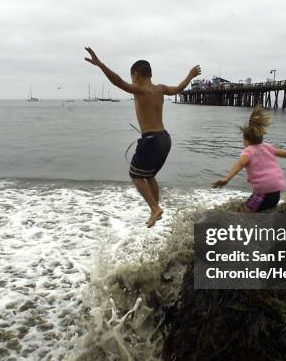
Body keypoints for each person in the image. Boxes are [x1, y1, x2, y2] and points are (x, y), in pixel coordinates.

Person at [84, 47, 201, 227]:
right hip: (165, 138)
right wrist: (190, 75)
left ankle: (155, 209)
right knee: (149, 175)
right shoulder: (160, 89)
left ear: (136, 75)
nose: (132, 81)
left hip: (151, 140)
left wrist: (100, 65)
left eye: (132, 77)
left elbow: (117, 82)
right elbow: (178, 88)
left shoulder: (139, 91)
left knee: (135, 175)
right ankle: (155, 209)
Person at [212, 108, 286, 212]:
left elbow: (240, 164)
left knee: (244, 213)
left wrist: (227, 178)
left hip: (263, 193)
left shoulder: (248, 151)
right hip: (276, 191)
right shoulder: (268, 147)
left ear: (246, 140)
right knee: (264, 212)